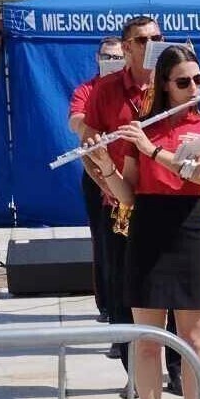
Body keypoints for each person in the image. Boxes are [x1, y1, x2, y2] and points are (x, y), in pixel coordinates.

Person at [85, 45, 200, 399]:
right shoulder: (142, 130)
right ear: (166, 85)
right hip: (148, 227)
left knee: (194, 338)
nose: (194, 87)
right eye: (184, 81)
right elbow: (128, 195)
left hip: (190, 225)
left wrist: (153, 150)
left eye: (199, 79)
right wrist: (104, 168)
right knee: (147, 341)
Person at [81, 17, 182, 397]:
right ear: (126, 48)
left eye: (157, 37)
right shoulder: (105, 90)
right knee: (127, 291)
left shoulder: (175, 82)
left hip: (168, 201)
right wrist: (108, 186)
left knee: (171, 291)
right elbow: (91, 150)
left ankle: (175, 368)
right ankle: (135, 372)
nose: (151, 44)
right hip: (121, 202)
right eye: (142, 39)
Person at [69, 36, 125, 324]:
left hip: (129, 173)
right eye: (107, 57)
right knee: (105, 243)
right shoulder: (88, 89)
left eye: (117, 57)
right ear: (97, 58)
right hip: (98, 174)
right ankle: (108, 306)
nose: (112, 62)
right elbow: (75, 120)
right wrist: (92, 125)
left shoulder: (131, 88)